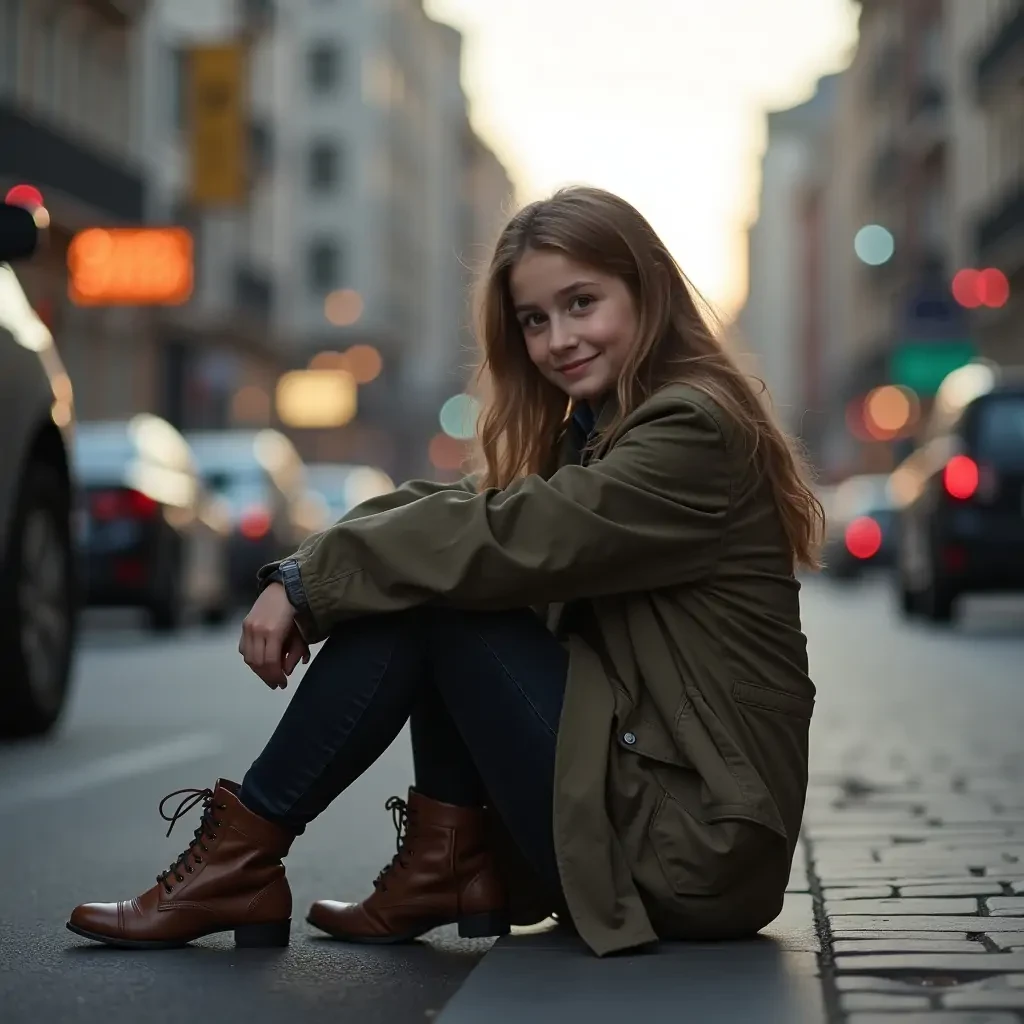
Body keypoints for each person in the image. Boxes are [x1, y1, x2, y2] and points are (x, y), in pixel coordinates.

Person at [67, 186, 822, 957]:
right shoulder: (602, 434)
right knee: (430, 571)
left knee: (440, 589)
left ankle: (249, 861)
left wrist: (306, 586)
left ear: (648, 290)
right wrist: (299, 570)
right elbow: (455, 507)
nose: (559, 339)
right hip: (662, 808)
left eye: (581, 303)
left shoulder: (690, 430)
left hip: (698, 848)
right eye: (535, 320)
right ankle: (429, 864)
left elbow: (500, 534)